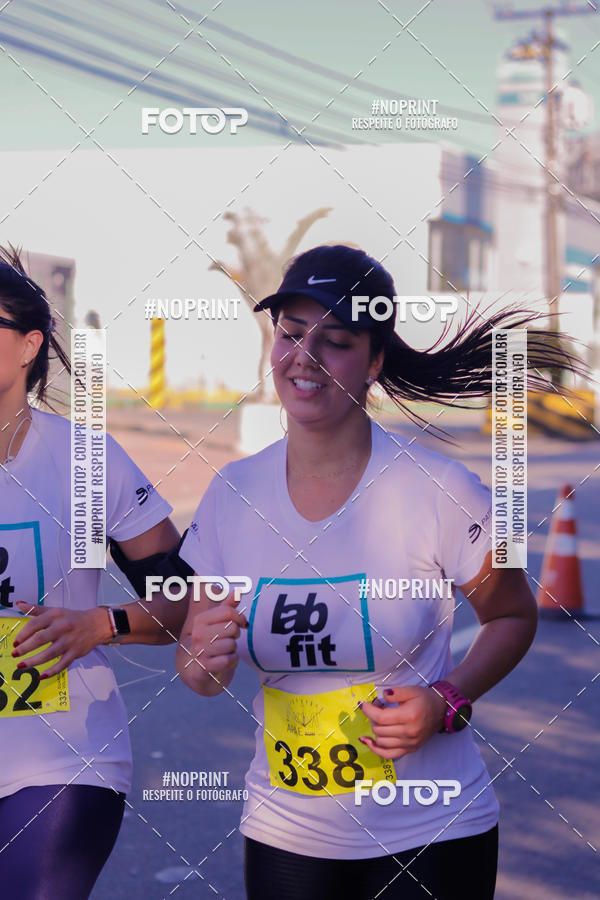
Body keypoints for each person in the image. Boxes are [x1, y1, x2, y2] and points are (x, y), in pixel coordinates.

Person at [175, 244, 582, 900]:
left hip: (433, 829)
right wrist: (199, 664)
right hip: (285, 833)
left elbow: (512, 614)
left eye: (334, 341)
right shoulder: (231, 493)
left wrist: (448, 700)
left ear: (374, 362)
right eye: (288, 334)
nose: (302, 358)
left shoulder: (441, 488)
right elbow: (200, 661)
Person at [0, 246, 190, 898]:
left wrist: (100, 623)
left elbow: (181, 602)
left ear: (27, 346)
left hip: (60, 756)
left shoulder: (87, 459)